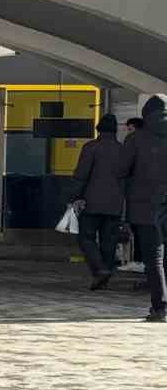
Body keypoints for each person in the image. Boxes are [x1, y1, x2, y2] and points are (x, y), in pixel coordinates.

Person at [119, 95, 167, 322]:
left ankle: (159, 308)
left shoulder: (136, 139)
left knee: (154, 259)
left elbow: (121, 170)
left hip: (146, 206)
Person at [70, 114, 126, 290]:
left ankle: (100, 269)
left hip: (91, 202)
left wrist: (74, 197)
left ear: (98, 129)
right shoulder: (123, 150)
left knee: (85, 237)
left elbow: (81, 175)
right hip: (115, 204)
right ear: (115, 130)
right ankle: (104, 277)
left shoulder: (91, 147)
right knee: (109, 241)